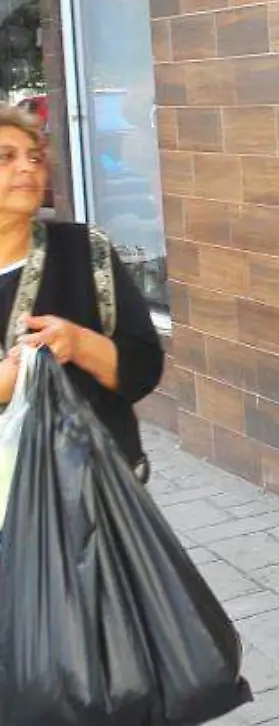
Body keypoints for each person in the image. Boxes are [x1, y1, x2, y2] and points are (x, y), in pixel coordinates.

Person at [0, 105, 164, 479]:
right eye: (5, 158)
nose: (27, 167)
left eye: (35, 157)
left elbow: (143, 367)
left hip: (93, 495)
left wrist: (77, 343)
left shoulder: (84, 250)